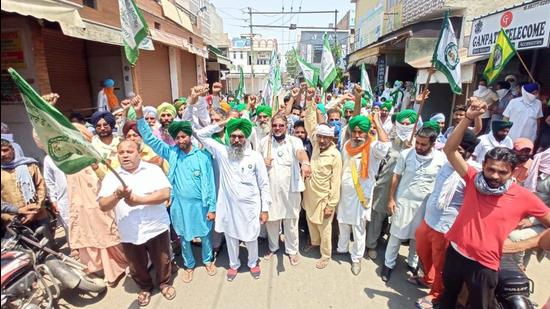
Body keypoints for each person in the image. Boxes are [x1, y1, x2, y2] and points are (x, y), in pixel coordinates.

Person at [440, 97, 550, 309]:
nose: (495, 176)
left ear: (512, 172)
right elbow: (450, 150)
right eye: (491, 169)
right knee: (449, 299)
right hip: (455, 254)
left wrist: (525, 244)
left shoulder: (523, 196)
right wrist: (468, 119)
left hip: (484, 265)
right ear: (483, 165)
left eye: (502, 172)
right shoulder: (473, 179)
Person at [133, 97, 217, 283]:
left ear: (189, 137)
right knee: (184, 237)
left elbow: (210, 183)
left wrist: (211, 207)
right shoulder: (171, 153)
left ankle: (208, 260)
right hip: (179, 204)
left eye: (183, 136)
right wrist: (140, 114)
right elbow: (148, 138)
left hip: (200, 205)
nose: (180, 140)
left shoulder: (202, 156)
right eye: (177, 137)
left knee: (205, 234)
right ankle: (189, 265)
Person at [98, 140, 175, 306]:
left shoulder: (152, 170)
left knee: (162, 259)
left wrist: (140, 200)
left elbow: (165, 193)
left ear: (139, 153)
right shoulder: (112, 177)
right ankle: (145, 287)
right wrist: (117, 195)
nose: (125, 155)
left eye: (129, 151)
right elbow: (103, 205)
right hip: (129, 230)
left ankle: (164, 283)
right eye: (121, 152)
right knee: (136, 265)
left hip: (155, 226)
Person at [194, 116, 271, 282]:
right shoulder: (222, 152)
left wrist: (265, 209)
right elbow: (200, 134)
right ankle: (234, 264)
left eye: (240, 136)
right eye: (233, 136)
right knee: (231, 237)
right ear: (229, 136)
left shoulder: (255, 157)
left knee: (251, 237)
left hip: (250, 207)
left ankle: (252, 262)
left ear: (246, 138)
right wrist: (224, 123)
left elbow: (264, 184)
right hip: (228, 207)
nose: (236, 139)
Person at [413, 129, 480, 309]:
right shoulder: (445, 163)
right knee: (421, 249)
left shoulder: (472, 173)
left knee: (441, 263)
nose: (451, 151)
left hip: (446, 227)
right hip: (429, 220)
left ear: (468, 152)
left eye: (457, 149)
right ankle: (428, 279)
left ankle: (436, 294)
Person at [381, 125, 446, 282]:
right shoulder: (406, 154)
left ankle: (412, 263)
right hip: (403, 201)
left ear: (432, 143)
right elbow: (396, 176)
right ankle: (388, 264)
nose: (418, 146)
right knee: (396, 234)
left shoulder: (441, 159)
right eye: (417, 142)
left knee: (418, 237)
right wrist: (391, 199)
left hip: (425, 205)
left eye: (423, 144)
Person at [67, 124, 128, 286]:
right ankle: (96, 269)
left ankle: (114, 271)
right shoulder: (66, 158)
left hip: (100, 203)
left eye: (78, 136)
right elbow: (41, 140)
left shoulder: (95, 152)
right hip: (79, 206)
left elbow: (109, 174)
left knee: (108, 235)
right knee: (87, 238)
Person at [337, 110, 390, 275]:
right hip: (344, 194)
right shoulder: (346, 146)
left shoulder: (373, 148)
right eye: (355, 131)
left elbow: (385, 144)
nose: (357, 135)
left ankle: (356, 258)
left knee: (358, 228)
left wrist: (376, 121)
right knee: (343, 223)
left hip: (361, 197)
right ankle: (341, 249)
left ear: (367, 132)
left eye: (361, 132)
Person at [366, 109, 418, 259]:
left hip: (405, 188)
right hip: (384, 185)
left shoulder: (417, 145)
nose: (406, 126)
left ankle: (390, 249)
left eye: (409, 124)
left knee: (397, 217)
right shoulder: (388, 142)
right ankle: (371, 244)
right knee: (378, 214)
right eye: (403, 123)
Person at [260, 114, 311, 265]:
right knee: (272, 220)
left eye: (280, 125)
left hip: (290, 190)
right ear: (271, 126)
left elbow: (300, 153)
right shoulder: (264, 142)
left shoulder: (294, 141)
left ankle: (292, 250)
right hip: (271, 189)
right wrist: (263, 161)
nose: (277, 128)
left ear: (286, 126)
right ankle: (273, 246)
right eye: (274, 125)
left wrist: (306, 163)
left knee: (291, 221)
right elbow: (256, 161)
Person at [302, 87, 343, 269]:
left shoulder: (335, 155)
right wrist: (309, 101)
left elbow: (335, 183)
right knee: (311, 221)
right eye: (320, 137)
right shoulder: (317, 147)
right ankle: (315, 243)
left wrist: (331, 204)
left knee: (325, 227)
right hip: (310, 194)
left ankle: (326, 255)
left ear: (332, 139)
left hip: (324, 198)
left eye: (326, 138)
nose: (322, 140)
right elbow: (310, 123)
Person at [1, 139, 49, 242]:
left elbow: (41, 188)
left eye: (5, 150)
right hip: (14, 221)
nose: (2, 154)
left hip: (38, 215)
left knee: (49, 252)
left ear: (13, 150)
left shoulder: (30, 166)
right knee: (24, 254)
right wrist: (8, 217)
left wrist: (34, 212)